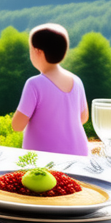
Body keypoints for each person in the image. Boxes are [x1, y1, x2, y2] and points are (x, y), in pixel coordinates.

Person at [11, 24, 90, 156]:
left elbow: (17, 126)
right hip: (79, 154)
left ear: (38, 52)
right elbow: (83, 117)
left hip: (44, 158)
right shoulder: (77, 81)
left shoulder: (34, 84)